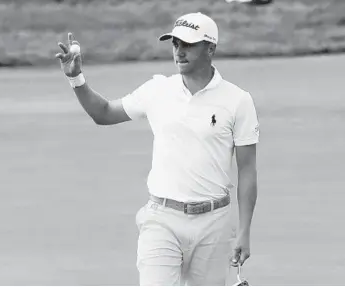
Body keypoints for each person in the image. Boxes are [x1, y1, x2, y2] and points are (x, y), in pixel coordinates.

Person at [55, 12, 259, 286]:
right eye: (175, 44)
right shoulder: (158, 90)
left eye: (188, 44)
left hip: (215, 224)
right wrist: (76, 78)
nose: (179, 51)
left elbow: (247, 170)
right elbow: (103, 113)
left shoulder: (238, 100)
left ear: (210, 48)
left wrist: (244, 231)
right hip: (162, 219)